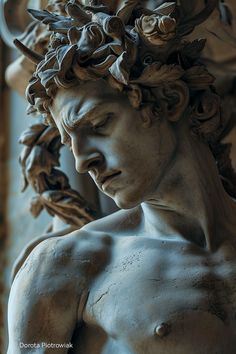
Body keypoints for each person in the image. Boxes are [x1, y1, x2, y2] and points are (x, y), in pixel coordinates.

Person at [7, 1, 236, 353]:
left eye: (98, 125)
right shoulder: (67, 267)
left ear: (170, 100)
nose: (82, 162)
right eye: (69, 143)